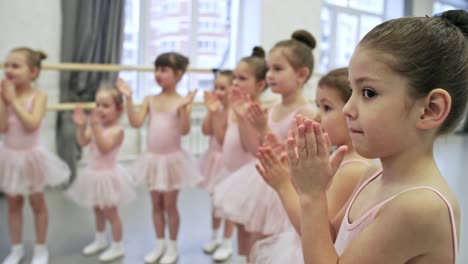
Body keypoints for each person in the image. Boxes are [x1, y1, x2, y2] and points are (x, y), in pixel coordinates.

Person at [288, 10, 467, 263]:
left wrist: (312, 196)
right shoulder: (371, 175)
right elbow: (329, 238)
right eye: (352, 91)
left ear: (430, 109)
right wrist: (309, 184)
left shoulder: (421, 207)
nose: (348, 109)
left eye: (369, 93)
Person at [251, 68, 376, 263]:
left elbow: (312, 229)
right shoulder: (341, 159)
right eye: (318, 106)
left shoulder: (352, 170)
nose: (317, 116)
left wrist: (283, 185)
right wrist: (292, 172)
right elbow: (310, 195)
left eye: (326, 108)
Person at [214, 30, 317, 261]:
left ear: (301, 74)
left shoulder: (307, 114)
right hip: (257, 179)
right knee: (248, 239)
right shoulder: (271, 108)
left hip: (281, 187)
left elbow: (291, 159)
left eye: (278, 69)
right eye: (269, 68)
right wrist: (243, 118)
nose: (270, 75)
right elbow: (255, 149)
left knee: (267, 243)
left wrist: (262, 128)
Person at [116, 52, 200, 264]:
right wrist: (128, 98)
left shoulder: (182, 101)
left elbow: (184, 130)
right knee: (155, 204)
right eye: (157, 69)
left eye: (164, 70)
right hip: (152, 160)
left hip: (172, 161)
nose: (158, 74)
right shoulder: (150, 99)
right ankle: (159, 244)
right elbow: (135, 122)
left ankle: (172, 247)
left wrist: (183, 110)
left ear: (179, 74)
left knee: (170, 205)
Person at [0, 47, 70, 264]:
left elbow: (31, 124)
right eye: (7, 65)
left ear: (33, 72)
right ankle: (16, 248)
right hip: (9, 156)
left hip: (31, 157)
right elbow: (2, 128)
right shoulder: (4, 95)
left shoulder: (39, 96)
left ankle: (40, 249)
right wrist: (4, 101)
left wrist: (12, 101)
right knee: (13, 204)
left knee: (37, 203)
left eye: (16, 66)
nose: (9, 70)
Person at [212, 47, 268, 263]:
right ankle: (242, 258)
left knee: (249, 228)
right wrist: (218, 112)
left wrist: (243, 117)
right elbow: (220, 138)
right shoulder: (234, 108)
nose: (234, 83)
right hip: (232, 175)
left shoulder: (257, 111)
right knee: (240, 227)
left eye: (242, 78)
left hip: (250, 179)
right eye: (234, 77)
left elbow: (253, 148)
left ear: (260, 85)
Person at [68, 85, 136, 262]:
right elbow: (83, 142)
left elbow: (105, 147)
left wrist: (95, 126)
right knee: (97, 210)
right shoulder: (96, 127)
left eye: (105, 106)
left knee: (111, 213)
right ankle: (99, 239)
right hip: (93, 174)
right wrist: (81, 127)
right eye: (97, 105)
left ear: (119, 110)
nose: (99, 110)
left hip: (108, 176)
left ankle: (117, 245)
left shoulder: (117, 130)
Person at [198, 70, 235, 256]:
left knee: (228, 205)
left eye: (223, 88)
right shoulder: (217, 109)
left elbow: (222, 139)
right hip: (213, 161)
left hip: (227, 163)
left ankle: (227, 242)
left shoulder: (233, 113)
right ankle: (215, 236)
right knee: (214, 202)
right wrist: (210, 112)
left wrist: (215, 114)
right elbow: (205, 130)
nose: (218, 92)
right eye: (216, 87)